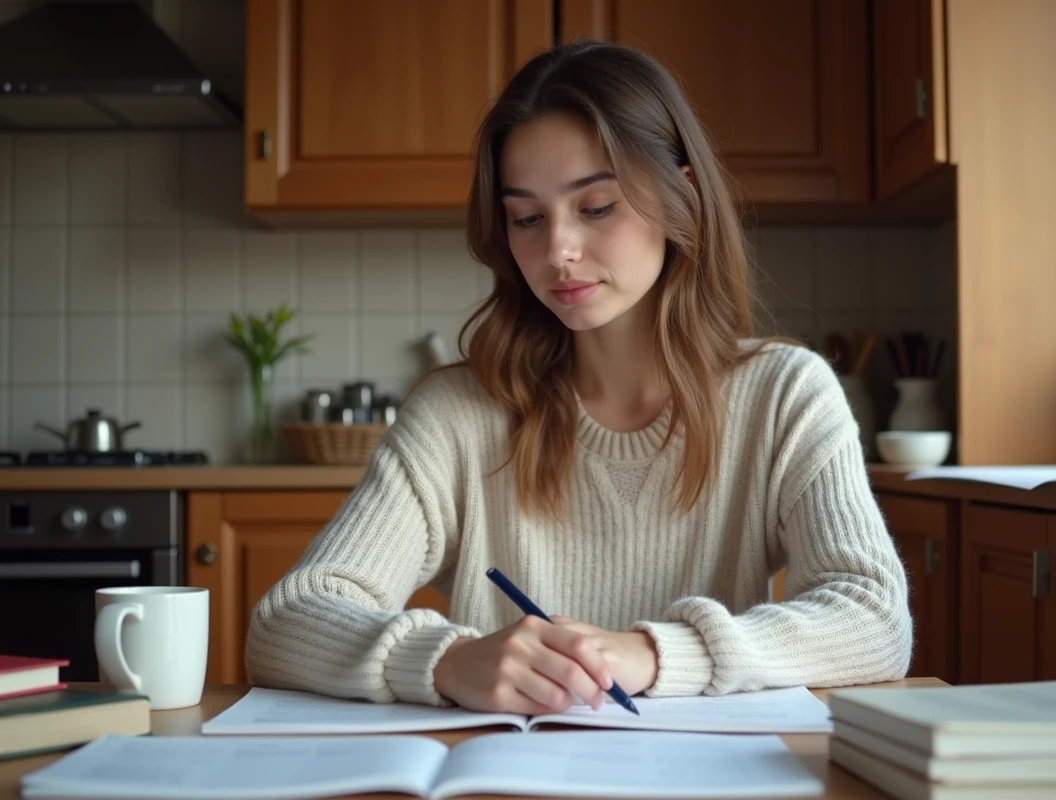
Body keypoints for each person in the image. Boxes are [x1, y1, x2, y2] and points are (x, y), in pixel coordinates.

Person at [245, 40, 912, 715]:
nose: (557, 250)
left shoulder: (785, 394)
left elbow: (874, 620)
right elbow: (287, 622)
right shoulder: (456, 412)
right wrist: (444, 661)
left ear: (681, 194)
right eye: (527, 218)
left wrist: (651, 654)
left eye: (596, 207)